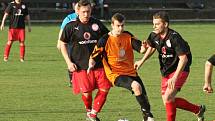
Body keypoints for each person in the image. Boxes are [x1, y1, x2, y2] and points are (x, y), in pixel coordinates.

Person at [134, 11, 205, 121]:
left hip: (180, 69)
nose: (154, 26)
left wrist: (175, 77)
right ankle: (197, 109)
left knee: (168, 98)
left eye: (157, 24)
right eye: (153, 24)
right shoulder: (154, 35)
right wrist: (142, 61)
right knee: (168, 101)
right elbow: (152, 46)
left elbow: (184, 59)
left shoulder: (174, 38)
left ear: (166, 24)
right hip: (166, 70)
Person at [88, 13, 154, 121]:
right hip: (115, 74)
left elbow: (141, 50)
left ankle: (147, 117)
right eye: (118, 25)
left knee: (144, 97)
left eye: (122, 25)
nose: (121, 28)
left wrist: (144, 47)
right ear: (112, 25)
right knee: (136, 86)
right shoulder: (104, 40)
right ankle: (148, 116)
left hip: (131, 72)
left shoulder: (127, 35)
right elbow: (94, 56)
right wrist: (90, 65)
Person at [59, 0, 111, 121]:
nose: (86, 14)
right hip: (80, 66)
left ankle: (93, 114)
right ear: (77, 11)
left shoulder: (97, 24)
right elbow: (62, 44)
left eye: (88, 11)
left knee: (105, 89)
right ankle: (89, 110)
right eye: (83, 12)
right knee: (87, 94)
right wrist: (68, 63)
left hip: (99, 65)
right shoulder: (70, 26)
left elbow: (109, 38)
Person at [57, 3, 78, 87]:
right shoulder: (69, 18)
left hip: (82, 43)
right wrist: (59, 42)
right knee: (71, 62)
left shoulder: (86, 17)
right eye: (76, 8)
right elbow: (62, 30)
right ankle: (72, 81)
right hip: (70, 43)